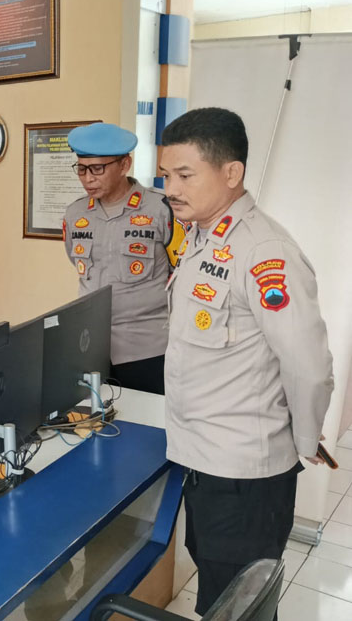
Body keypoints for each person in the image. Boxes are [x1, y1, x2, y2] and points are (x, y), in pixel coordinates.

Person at [159, 107, 333, 617]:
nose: (170, 188)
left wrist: (304, 440)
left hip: (244, 476)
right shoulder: (203, 236)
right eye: (165, 175)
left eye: (184, 175)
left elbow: (308, 365)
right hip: (206, 461)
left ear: (231, 173)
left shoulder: (264, 251)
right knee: (221, 591)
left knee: (239, 604)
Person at [63, 122, 184, 394]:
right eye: (81, 169)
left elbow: (183, 273)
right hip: (90, 347)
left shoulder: (162, 210)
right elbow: (77, 262)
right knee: (96, 416)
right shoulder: (75, 215)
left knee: (149, 418)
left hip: (148, 351)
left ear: (124, 165)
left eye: (97, 169)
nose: (88, 178)